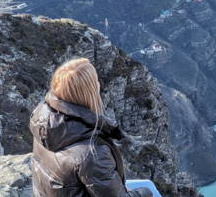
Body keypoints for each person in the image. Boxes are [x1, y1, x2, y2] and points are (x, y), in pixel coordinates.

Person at [29, 57, 155, 197]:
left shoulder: (44, 122)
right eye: (96, 83)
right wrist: (145, 193)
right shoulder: (92, 153)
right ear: (89, 93)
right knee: (149, 189)